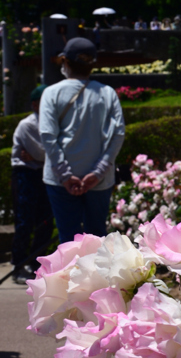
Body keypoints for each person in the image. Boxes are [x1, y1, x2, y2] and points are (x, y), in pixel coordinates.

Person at [39, 38, 126, 243]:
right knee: (97, 239)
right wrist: (97, 172)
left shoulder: (51, 93)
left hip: (60, 181)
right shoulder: (107, 93)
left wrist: (65, 175)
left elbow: (48, 137)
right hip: (99, 180)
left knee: (68, 241)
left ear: (65, 62)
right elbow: (118, 134)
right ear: (92, 65)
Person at [10, 85, 54, 284]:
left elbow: (48, 153)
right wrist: (45, 156)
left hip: (43, 174)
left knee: (45, 221)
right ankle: (19, 265)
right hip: (26, 175)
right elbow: (45, 153)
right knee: (24, 221)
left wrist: (43, 156)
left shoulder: (53, 123)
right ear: (35, 104)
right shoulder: (27, 125)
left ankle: (37, 263)